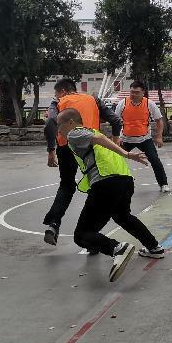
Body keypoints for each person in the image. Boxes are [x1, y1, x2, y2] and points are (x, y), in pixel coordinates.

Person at [56, 108, 165, 282]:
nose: (58, 129)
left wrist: (126, 153)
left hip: (106, 183)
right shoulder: (93, 131)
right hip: (125, 180)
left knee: (82, 234)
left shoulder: (75, 133)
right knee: (123, 216)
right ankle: (154, 247)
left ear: (70, 122)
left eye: (59, 124)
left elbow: (97, 140)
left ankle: (117, 248)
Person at [42, 78, 123, 246]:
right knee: (96, 186)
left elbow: (50, 122)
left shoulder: (58, 102)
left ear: (62, 91)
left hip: (66, 147)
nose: (56, 96)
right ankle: (92, 233)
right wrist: (115, 140)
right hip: (91, 148)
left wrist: (51, 150)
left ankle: (54, 224)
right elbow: (116, 120)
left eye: (56, 93)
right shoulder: (93, 99)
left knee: (66, 185)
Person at [114, 80, 170, 193]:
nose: (133, 94)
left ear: (143, 92)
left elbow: (159, 120)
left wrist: (159, 137)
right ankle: (113, 184)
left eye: (136, 92)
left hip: (144, 139)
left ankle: (163, 184)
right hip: (125, 139)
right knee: (114, 159)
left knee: (155, 160)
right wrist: (116, 138)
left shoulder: (149, 104)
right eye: (132, 92)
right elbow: (115, 122)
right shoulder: (122, 103)